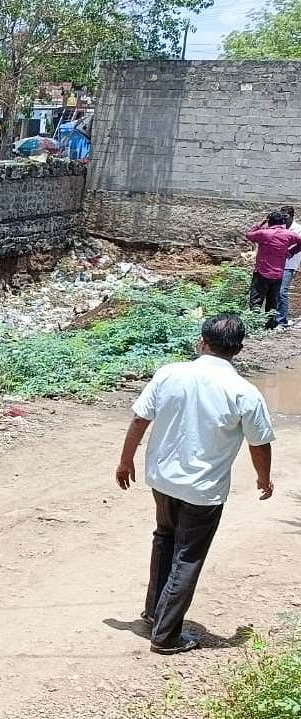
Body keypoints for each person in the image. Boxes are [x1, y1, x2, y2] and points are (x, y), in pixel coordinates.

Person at [115, 313, 274, 655]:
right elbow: (259, 443)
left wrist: (126, 460)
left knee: (165, 539)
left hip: (162, 479)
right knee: (187, 556)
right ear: (239, 349)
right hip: (203, 490)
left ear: (201, 342)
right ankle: (166, 636)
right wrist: (264, 478)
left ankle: (153, 613)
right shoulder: (243, 392)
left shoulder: (170, 373)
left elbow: (140, 418)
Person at [245, 210, 301, 329]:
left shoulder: (264, 233)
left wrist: (261, 222)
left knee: (256, 300)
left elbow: (249, 234)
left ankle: (254, 325)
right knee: (272, 302)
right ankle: (269, 326)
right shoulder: (289, 234)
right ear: (282, 222)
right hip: (278, 274)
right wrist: (291, 252)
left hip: (262, 272)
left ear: (269, 222)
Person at [276, 206, 301, 326]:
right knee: (274, 292)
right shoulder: (280, 227)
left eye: (285, 216)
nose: (283, 219)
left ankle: (282, 321)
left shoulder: (297, 229)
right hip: (277, 263)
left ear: (291, 216)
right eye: (282, 216)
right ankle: (275, 319)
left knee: (282, 291)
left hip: (289, 264)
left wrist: (289, 253)